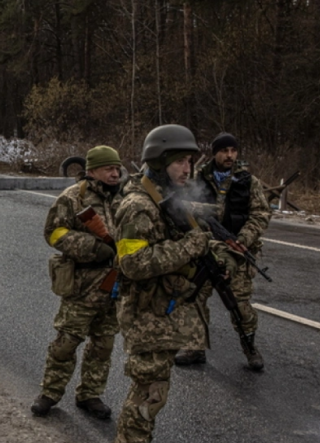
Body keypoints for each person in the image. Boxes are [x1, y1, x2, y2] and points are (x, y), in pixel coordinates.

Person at [113, 124, 224, 443]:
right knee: (148, 398)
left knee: (151, 397)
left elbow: (181, 238)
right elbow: (133, 264)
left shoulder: (165, 196)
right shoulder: (138, 205)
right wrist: (193, 246)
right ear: (160, 162)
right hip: (147, 319)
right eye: (180, 162)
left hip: (163, 315)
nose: (187, 169)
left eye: (190, 162)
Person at [31, 145, 123, 420]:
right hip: (82, 284)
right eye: (109, 168)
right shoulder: (73, 198)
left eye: (117, 168)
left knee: (103, 344)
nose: (115, 173)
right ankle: (50, 393)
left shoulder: (125, 198)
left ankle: (90, 394)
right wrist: (92, 246)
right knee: (66, 342)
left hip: (114, 283)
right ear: (92, 170)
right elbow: (53, 232)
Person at [175, 132, 271, 370]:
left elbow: (261, 215)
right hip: (203, 250)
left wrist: (242, 241)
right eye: (224, 151)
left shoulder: (248, 182)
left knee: (239, 304)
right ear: (215, 153)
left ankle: (250, 348)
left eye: (233, 151)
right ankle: (194, 347)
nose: (229, 156)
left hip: (237, 252)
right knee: (192, 297)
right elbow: (178, 209)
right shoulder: (195, 179)